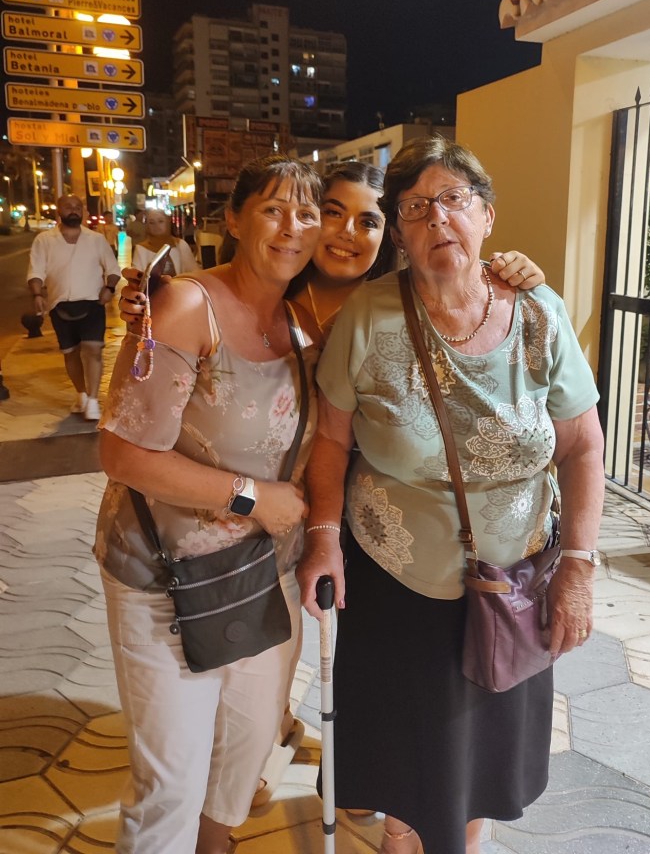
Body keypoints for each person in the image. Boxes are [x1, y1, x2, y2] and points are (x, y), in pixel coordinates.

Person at [117, 158, 547, 807]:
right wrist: (142, 310)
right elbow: (193, 335)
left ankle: (363, 767)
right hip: (275, 511)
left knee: (365, 648)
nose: (347, 233)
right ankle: (264, 740)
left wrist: (509, 267)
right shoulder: (272, 299)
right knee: (274, 647)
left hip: (379, 506)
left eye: (368, 220)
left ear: (389, 234)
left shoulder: (403, 300)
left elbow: (473, 301)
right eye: (332, 214)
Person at [297, 136, 605, 854]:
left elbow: (584, 447)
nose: (437, 218)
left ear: (487, 216)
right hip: (396, 581)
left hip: (511, 582)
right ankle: (402, 833)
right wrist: (322, 539)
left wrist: (579, 568)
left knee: (479, 754)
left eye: (453, 200)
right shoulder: (369, 317)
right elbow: (331, 442)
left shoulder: (539, 313)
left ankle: (459, 839)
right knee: (406, 755)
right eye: (414, 208)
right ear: (399, 236)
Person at [95, 155, 324, 854]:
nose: (292, 227)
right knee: (172, 779)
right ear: (233, 219)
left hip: (263, 571)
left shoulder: (306, 319)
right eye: (273, 209)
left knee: (246, 747)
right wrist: (253, 498)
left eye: (307, 213)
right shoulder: (187, 307)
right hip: (164, 575)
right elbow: (124, 454)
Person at [27, 194, 121, 421]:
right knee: (71, 353)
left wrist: (109, 288)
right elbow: (36, 271)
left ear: (83, 212)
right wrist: (37, 294)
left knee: (94, 350)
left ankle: (93, 400)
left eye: (78, 207)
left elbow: (113, 269)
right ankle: (81, 393)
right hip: (59, 304)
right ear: (59, 211)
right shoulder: (44, 240)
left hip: (92, 302)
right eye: (68, 206)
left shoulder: (96, 239)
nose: (73, 210)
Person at [132, 208, 198, 277]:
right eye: (151, 222)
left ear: (167, 222)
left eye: (160, 221)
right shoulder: (141, 248)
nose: (156, 226)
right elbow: (136, 276)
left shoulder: (180, 244)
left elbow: (194, 272)